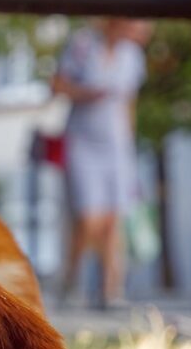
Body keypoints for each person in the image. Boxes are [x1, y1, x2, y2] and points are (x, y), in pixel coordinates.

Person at [52, 18, 153, 308]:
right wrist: (88, 94)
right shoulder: (84, 45)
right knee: (88, 219)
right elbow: (57, 84)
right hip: (83, 143)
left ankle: (111, 291)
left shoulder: (132, 57)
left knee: (113, 220)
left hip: (116, 146)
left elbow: (128, 105)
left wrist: (129, 150)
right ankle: (70, 280)